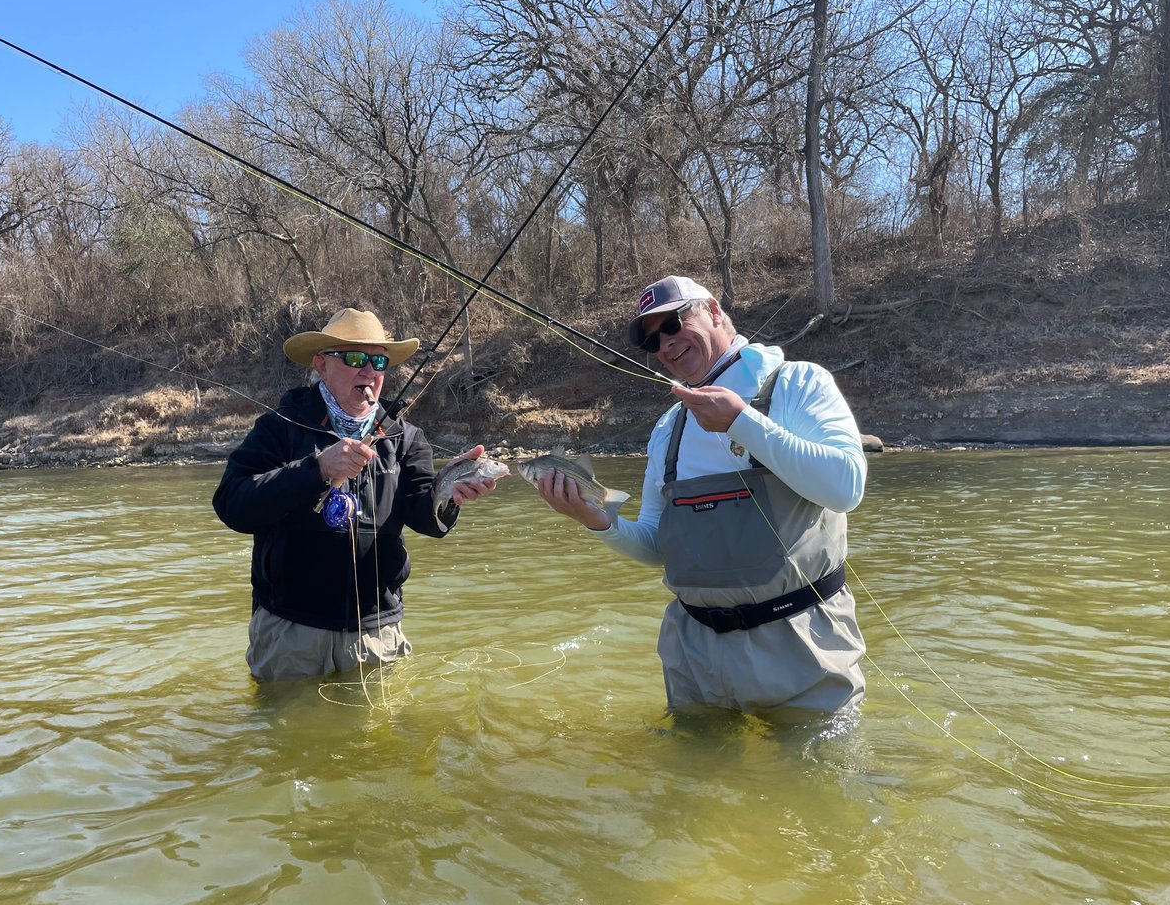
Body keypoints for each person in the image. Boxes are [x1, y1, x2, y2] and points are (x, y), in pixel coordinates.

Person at [533, 276, 867, 715]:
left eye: (673, 323)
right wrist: (597, 521)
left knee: (815, 781)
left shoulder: (797, 382)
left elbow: (846, 488)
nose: (666, 344)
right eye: (652, 341)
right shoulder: (667, 428)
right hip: (692, 652)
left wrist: (742, 421)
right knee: (688, 783)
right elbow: (658, 546)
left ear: (713, 310)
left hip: (802, 644)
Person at [212, 308, 499, 682]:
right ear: (321, 364)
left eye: (378, 360)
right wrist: (316, 469)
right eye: (354, 358)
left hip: (377, 632)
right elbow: (233, 505)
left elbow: (424, 516)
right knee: (286, 738)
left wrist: (451, 491)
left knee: (378, 740)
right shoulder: (279, 428)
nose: (369, 371)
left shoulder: (406, 438)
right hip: (291, 631)